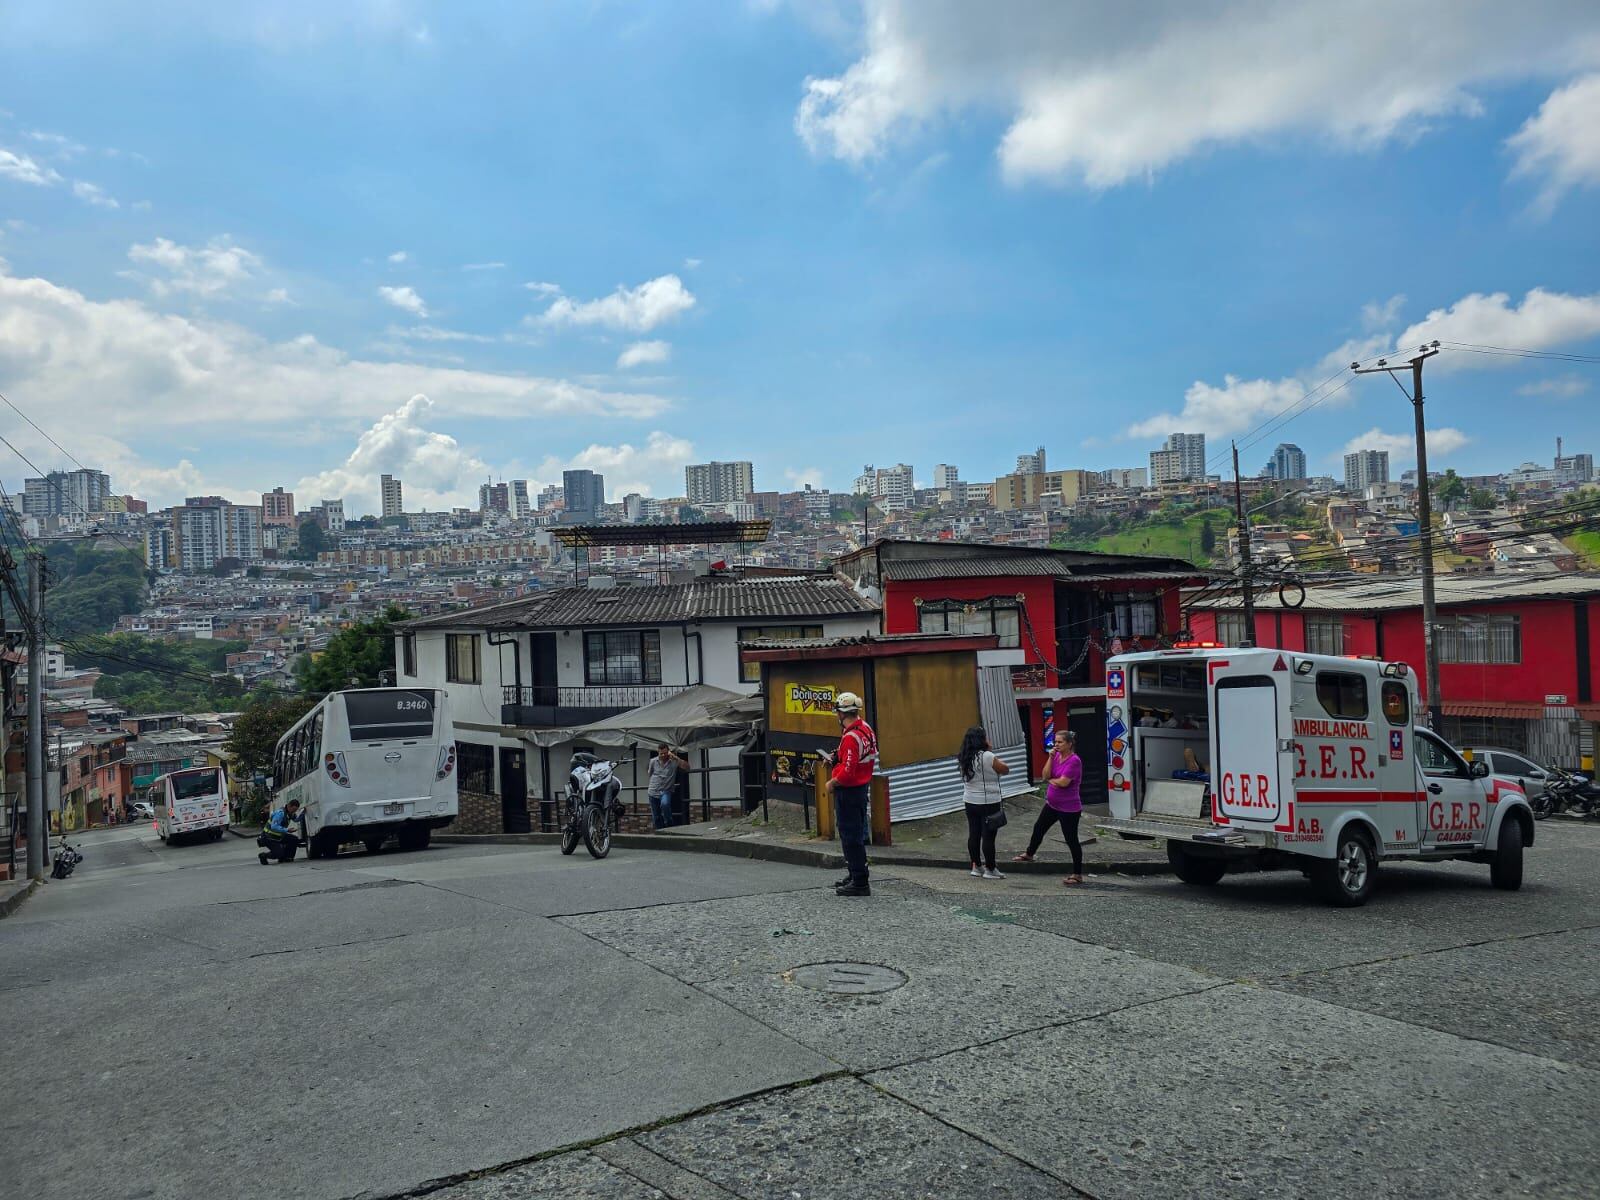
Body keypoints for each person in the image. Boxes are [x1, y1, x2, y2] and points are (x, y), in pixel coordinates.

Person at [824, 691, 877, 897]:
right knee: (854, 833)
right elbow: (860, 755)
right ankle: (855, 874)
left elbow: (847, 772)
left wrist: (831, 783)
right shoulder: (865, 729)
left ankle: (860, 881)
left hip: (849, 791)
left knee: (849, 835)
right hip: (861, 789)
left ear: (842, 713)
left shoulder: (850, 737)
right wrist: (835, 756)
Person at [1013, 731, 1084, 885]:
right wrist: (1050, 758)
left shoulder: (1074, 761)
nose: (1056, 745)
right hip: (1052, 804)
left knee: (1071, 839)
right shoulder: (1056, 756)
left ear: (1069, 744)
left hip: (1068, 808)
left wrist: (1051, 780)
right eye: (1055, 742)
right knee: (1039, 827)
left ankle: (1077, 874)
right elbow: (1045, 775)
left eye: (1060, 742)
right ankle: (1029, 853)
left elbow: (1064, 783)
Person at [958, 726, 1010, 880]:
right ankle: (990, 869)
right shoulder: (987, 756)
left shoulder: (964, 757)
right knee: (988, 836)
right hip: (989, 802)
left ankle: (976, 866)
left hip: (970, 801)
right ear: (981, 739)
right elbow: (1005, 769)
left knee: (974, 834)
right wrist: (990, 752)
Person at [646, 744, 686, 830]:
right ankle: (660, 832)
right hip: (653, 790)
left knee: (665, 804)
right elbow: (650, 774)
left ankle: (669, 825)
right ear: (658, 752)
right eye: (661, 753)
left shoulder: (674, 761)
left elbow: (687, 767)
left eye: (665, 753)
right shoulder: (653, 761)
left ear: (668, 752)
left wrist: (676, 757)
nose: (663, 755)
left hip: (666, 790)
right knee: (656, 816)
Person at [258, 798, 302, 865]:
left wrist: (303, 814)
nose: (294, 811)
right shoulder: (280, 813)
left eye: (295, 810)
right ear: (289, 806)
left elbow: (296, 819)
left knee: (294, 839)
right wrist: (287, 830)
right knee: (278, 853)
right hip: (268, 837)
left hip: (278, 836)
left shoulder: (290, 813)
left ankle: (287, 857)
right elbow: (274, 826)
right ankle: (264, 856)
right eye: (293, 810)